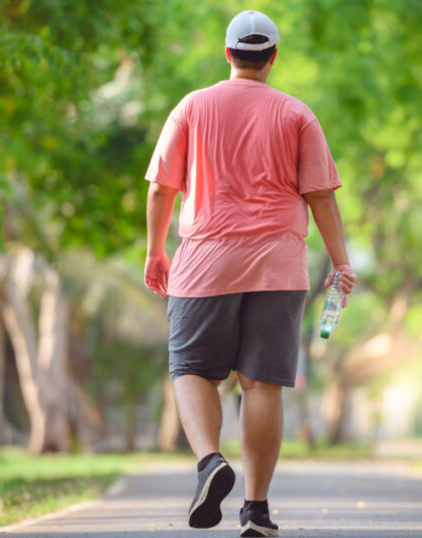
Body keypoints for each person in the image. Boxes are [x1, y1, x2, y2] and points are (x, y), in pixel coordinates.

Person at [143, 10, 356, 537]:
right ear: (273, 58)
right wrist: (341, 262)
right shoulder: (296, 114)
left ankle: (210, 462)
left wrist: (155, 252)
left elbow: (160, 189)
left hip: (205, 261)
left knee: (192, 368)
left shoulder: (192, 106)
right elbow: (321, 197)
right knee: (262, 385)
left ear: (228, 52)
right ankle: (256, 511)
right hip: (279, 265)